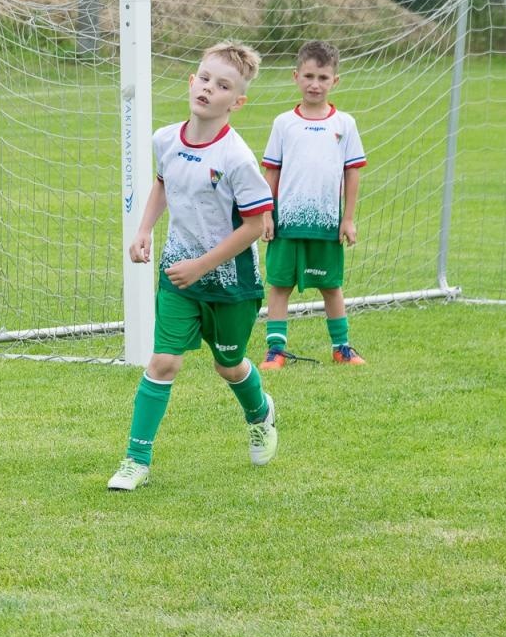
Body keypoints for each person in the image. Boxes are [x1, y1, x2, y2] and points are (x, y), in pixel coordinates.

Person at [107, 41, 277, 492]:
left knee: (230, 365)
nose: (208, 89)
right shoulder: (165, 139)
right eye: (204, 78)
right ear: (191, 80)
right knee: (163, 362)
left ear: (236, 102)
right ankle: (135, 459)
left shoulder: (237, 158)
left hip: (229, 284)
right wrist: (144, 229)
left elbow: (257, 224)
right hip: (178, 276)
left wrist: (201, 266)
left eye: (222, 86)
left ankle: (260, 412)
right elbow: (164, 183)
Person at [257, 40, 368, 369]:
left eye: (322, 77)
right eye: (308, 76)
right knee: (280, 285)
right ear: (295, 76)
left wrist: (347, 219)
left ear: (335, 81)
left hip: (326, 223)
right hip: (287, 222)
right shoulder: (283, 123)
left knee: (331, 286)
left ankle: (341, 347)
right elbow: (271, 172)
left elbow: (352, 173)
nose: (314, 84)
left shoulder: (344, 124)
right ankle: (275, 350)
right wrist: (265, 213)